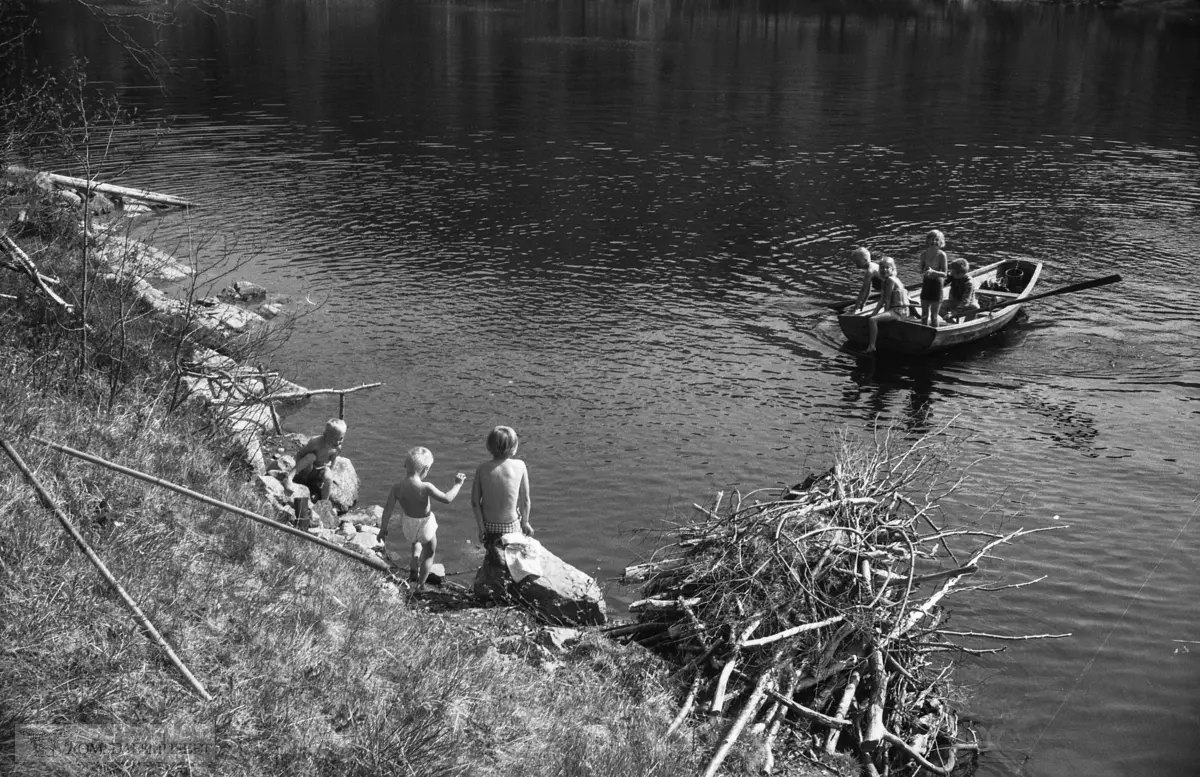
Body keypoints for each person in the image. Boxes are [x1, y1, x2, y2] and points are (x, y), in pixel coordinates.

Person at [379, 446, 466, 589]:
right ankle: (420, 585)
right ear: (425, 469)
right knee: (429, 553)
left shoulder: (396, 488)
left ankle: (414, 567)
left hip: (408, 525)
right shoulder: (426, 486)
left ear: (405, 465)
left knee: (415, 541)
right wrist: (457, 484)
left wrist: (383, 529)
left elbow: (388, 510)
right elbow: (447, 499)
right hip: (425, 525)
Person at [471, 425, 532, 545]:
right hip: (512, 526)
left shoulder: (482, 468)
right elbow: (525, 500)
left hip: (489, 527)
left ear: (489, 447)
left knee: (492, 551)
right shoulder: (520, 465)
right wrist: (525, 522)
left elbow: (475, 502)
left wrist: (481, 528)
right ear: (514, 447)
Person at [284, 418, 346, 523]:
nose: (339, 442)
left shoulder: (337, 447)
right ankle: (289, 478)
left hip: (319, 471)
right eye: (336, 438)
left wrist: (329, 474)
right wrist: (299, 470)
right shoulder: (315, 442)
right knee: (311, 457)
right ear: (326, 435)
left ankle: (323, 504)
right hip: (307, 469)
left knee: (328, 476)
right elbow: (300, 454)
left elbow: (333, 459)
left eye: (341, 438)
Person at [864, 256, 912, 354]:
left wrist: (883, 314)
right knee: (873, 317)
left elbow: (887, 299)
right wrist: (874, 313)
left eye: (887, 267)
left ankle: (872, 346)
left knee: (872, 321)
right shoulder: (888, 280)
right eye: (882, 267)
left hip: (898, 312)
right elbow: (881, 300)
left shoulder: (890, 280)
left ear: (892, 269)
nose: (884, 270)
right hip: (899, 311)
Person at [918, 229, 949, 328]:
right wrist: (924, 271)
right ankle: (923, 333)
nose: (934, 242)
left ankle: (935, 334)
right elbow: (920, 271)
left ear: (941, 242)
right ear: (927, 241)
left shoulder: (942, 255)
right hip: (927, 284)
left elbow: (945, 274)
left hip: (937, 285)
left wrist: (934, 272)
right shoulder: (923, 254)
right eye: (931, 239)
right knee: (924, 315)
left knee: (934, 316)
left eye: (936, 239)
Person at [943, 258, 980, 323]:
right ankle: (951, 322)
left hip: (967, 304)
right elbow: (943, 283)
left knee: (975, 308)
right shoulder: (953, 276)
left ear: (960, 274)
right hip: (954, 301)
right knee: (937, 306)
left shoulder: (969, 283)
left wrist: (954, 313)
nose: (951, 273)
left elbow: (965, 301)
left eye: (953, 272)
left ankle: (966, 324)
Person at [851, 246, 881, 311]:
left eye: (857, 261)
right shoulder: (872, 265)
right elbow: (868, 288)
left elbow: (863, 291)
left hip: (891, 293)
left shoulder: (870, 272)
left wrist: (856, 307)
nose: (855, 263)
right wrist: (864, 302)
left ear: (865, 260)